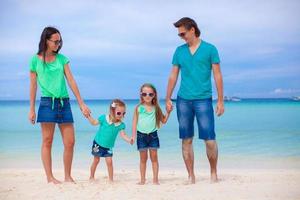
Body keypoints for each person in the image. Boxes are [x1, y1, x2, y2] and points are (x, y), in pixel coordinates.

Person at [28, 27, 91, 184]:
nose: (58, 44)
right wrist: (31, 109)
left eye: (59, 41)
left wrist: (81, 103)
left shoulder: (62, 59)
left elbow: (71, 81)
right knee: (47, 141)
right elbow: (33, 85)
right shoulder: (35, 60)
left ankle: (68, 176)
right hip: (47, 102)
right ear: (46, 41)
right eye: (55, 41)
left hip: (64, 103)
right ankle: (50, 177)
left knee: (70, 142)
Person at [165, 17, 224, 183]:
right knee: (186, 139)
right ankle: (191, 176)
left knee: (210, 139)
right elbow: (173, 75)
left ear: (192, 30)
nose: (181, 36)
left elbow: (217, 75)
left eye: (182, 33)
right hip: (183, 100)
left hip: (204, 100)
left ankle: (214, 173)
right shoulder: (179, 51)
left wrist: (220, 100)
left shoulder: (210, 49)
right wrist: (168, 98)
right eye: (179, 34)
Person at [132, 83, 171, 185]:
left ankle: (155, 180)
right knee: (143, 159)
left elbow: (164, 120)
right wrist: (133, 136)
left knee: (154, 158)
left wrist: (169, 112)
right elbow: (134, 123)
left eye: (150, 94)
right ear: (141, 95)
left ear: (154, 95)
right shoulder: (138, 108)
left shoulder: (156, 108)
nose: (147, 96)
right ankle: (142, 180)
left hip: (153, 136)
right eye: (145, 94)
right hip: (141, 136)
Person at [88, 99, 133, 182]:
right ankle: (91, 176)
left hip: (108, 147)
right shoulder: (103, 118)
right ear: (112, 111)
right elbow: (94, 123)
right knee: (96, 160)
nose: (121, 115)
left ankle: (111, 179)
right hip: (98, 143)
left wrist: (129, 140)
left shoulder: (121, 125)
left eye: (123, 113)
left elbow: (123, 135)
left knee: (109, 162)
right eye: (119, 113)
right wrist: (88, 116)